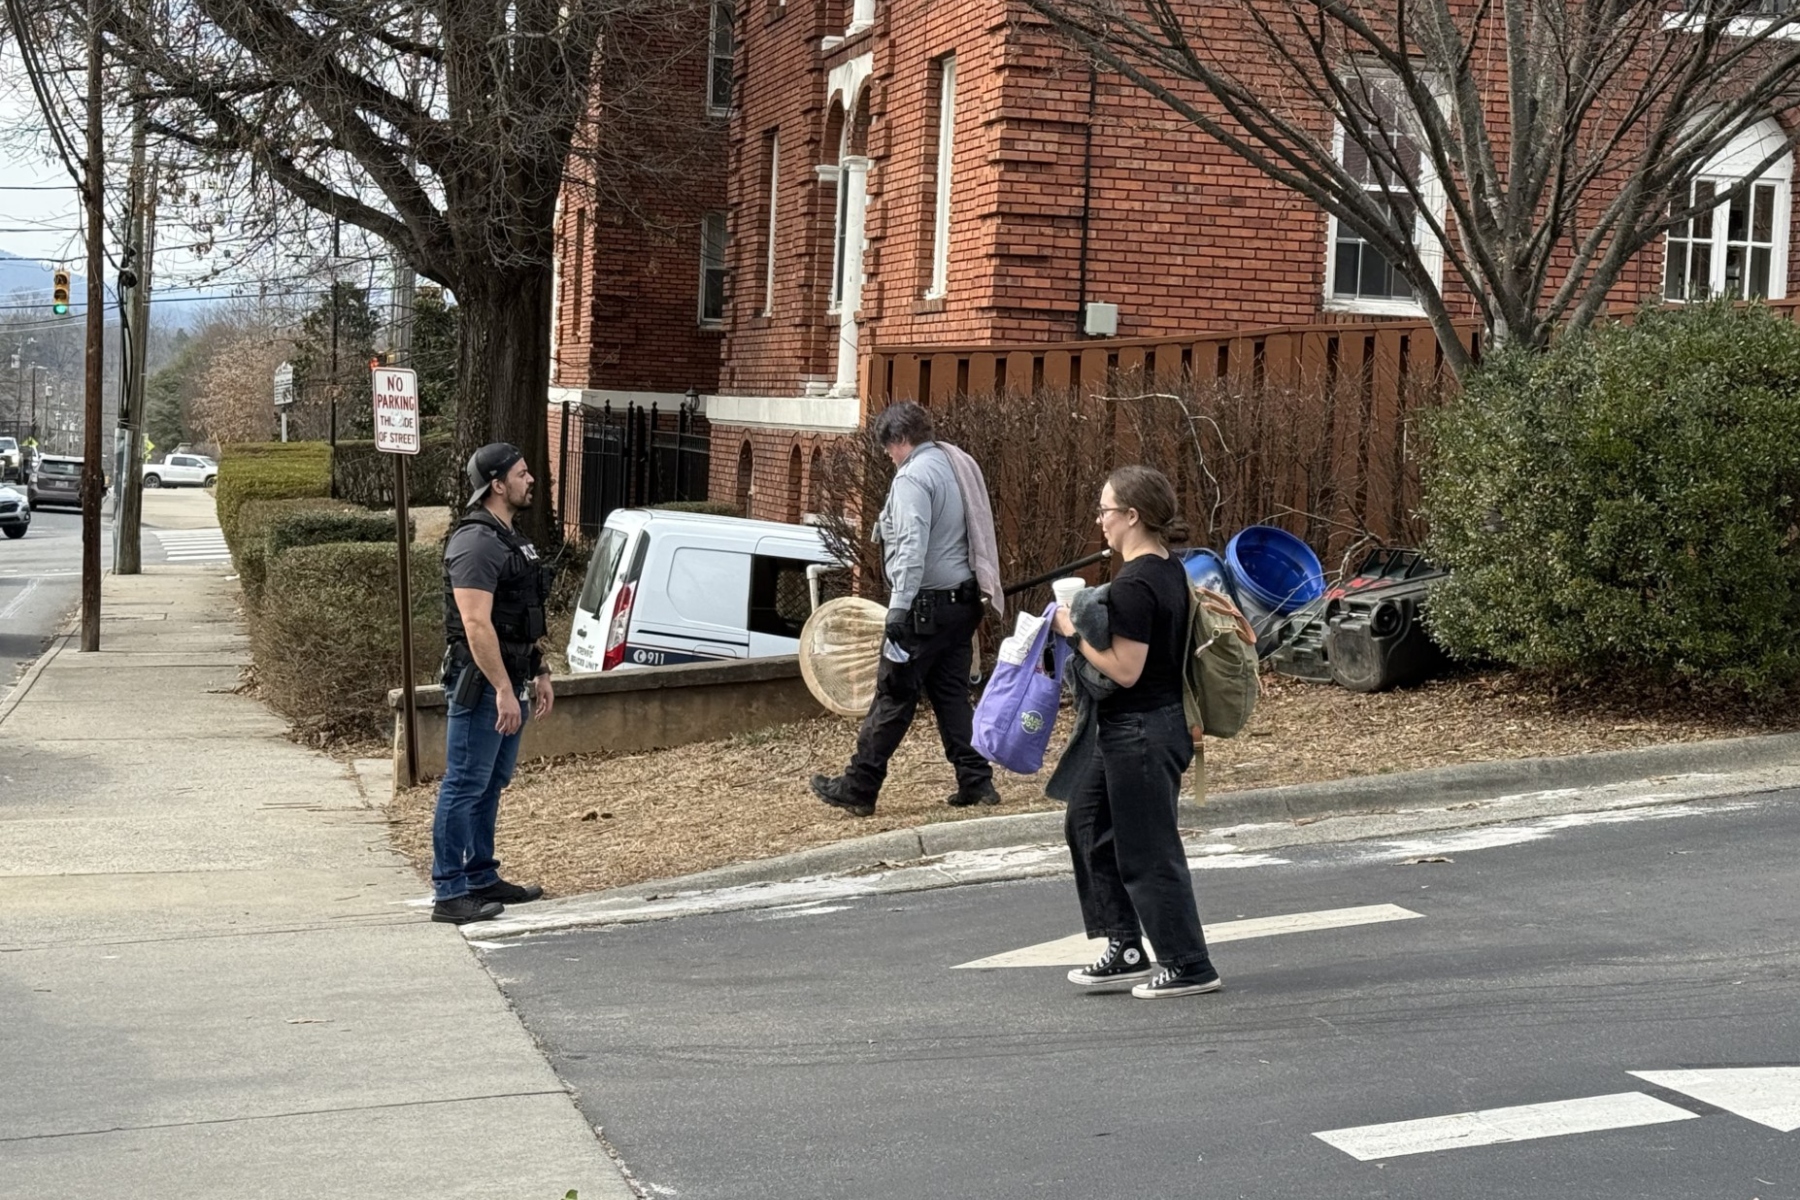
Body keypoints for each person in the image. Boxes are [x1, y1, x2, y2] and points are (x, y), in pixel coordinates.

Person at [1049, 465, 1221, 999]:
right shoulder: (1167, 569)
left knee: (1148, 851)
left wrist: (1071, 632)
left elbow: (1125, 669)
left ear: (1132, 516)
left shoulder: (1138, 582)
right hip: (1133, 728)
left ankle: (1189, 963)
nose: (1099, 520)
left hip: (1142, 731)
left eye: (1105, 510)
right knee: (1087, 821)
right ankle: (1124, 946)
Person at [811, 402, 1003, 817]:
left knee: (894, 694)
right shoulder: (959, 464)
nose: (888, 456)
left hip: (923, 609)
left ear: (899, 440)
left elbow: (912, 546)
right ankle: (976, 780)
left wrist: (898, 609)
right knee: (952, 695)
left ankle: (860, 785)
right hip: (962, 603)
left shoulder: (914, 477)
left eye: (888, 448)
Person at [430, 442, 555, 924]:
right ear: (497, 484)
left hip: (512, 676)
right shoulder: (476, 542)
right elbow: (476, 624)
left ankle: (481, 875)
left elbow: (519, 618)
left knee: (490, 783)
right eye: (522, 474)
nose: (530, 480)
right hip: (481, 684)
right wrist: (503, 688)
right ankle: (449, 891)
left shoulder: (510, 538)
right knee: (464, 783)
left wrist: (538, 670)